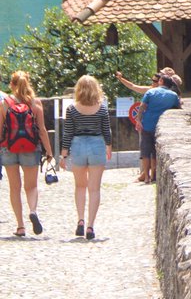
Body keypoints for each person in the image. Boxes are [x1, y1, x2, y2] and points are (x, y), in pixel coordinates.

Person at [1, 71, 54, 236]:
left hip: (9, 148)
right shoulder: (36, 103)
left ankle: (20, 226)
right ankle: (33, 211)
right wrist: (49, 152)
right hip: (31, 148)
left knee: (14, 188)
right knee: (31, 186)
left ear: (11, 85)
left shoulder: (4, 104)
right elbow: (43, 130)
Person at [60, 75, 111, 240]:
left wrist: (63, 154)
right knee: (94, 189)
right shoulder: (102, 108)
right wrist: (108, 147)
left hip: (78, 145)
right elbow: (107, 130)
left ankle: (80, 220)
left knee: (80, 186)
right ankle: (90, 226)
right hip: (97, 145)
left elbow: (67, 132)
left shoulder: (72, 109)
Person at [136, 73, 179, 184]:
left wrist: (138, 120)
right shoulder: (173, 96)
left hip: (147, 125)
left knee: (145, 152)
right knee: (155, 152)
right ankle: (154, 175)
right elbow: (178, 109)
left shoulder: (150, 92)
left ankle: (146, 176)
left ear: (161, 82)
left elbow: (142, 107)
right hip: (162, 127)